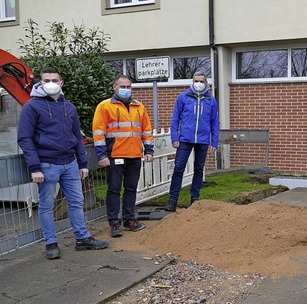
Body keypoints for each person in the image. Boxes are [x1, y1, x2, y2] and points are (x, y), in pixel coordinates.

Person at [17, 67, 109, 259]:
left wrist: (83, 164)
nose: (50, 83)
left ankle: (82, 239)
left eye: (54, 80)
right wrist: (34, 167)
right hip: (47, 164)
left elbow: (76, 137)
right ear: (40, 83)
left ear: (61, 83)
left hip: (70, 163)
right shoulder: (32, 107)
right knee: (46, 205)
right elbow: (25, 138)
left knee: (76, 202)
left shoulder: (69, 107)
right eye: (46, 80)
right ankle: (51, 244)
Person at [93, 74, 154, 237]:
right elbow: (98, 133)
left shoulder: (139, 107)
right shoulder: (104, 107)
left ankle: (129, 219)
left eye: (128, 87)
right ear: (114, 87)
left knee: (131, 189)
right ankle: (114, 223)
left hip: (134, 155)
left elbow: (146, 131)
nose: (126, 90)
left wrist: (148, 150)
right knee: (114, 189)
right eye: (123, 87)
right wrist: (102, 155)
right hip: (115, 155)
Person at [164, 72, 219, 211]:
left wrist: (214, 142)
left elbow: (215, 122)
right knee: (178, 168)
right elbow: (175, 118)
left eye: (201, 81)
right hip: (185, 139)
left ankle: (195, 198)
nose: (199, 83)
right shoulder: (183, 97)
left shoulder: (211, 100)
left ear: (206, 83)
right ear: (192, 81)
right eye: (196, 81)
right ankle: (172, 200)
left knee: (199, 169)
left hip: (203, 140)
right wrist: (174, 138)